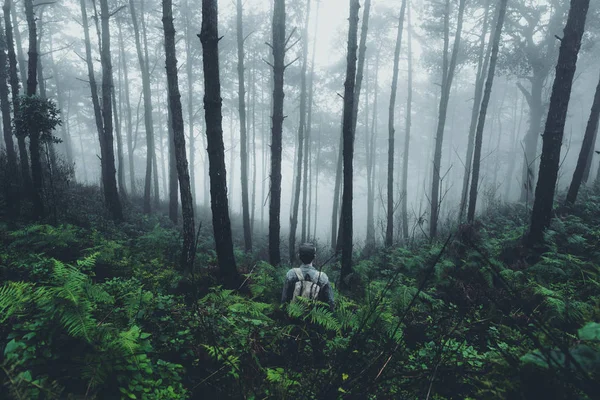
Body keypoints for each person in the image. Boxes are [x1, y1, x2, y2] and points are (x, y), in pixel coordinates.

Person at [281, 243, 335, 311]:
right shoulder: (322, 277)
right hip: (316, 318)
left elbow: (284, 299)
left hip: (292, 317)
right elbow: (330, 302)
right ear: (314, 256)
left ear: (299, 256)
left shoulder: (291, 274)